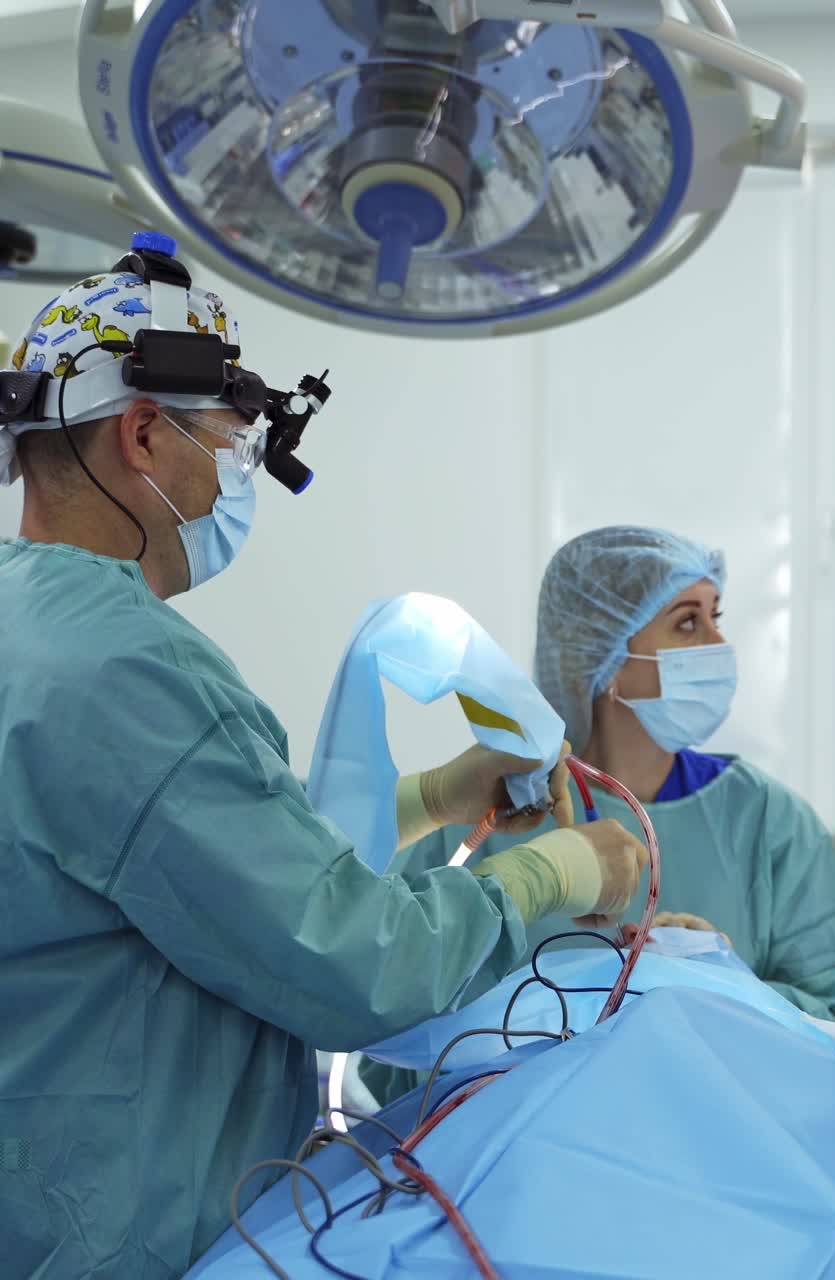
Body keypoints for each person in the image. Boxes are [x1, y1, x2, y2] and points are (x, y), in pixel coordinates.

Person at [0, 241, 647, 1280]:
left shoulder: (27, 626)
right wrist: (557, 871)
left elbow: (164, 868)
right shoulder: (127, 667)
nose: (233, 474)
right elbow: (354, 963)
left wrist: (430, 798)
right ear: (141, 433)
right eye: (226, 439)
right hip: (123, 1227)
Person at [378, 526, 835, 1052]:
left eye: (717, 617)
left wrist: (720, 982)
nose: (719, 645)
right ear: (601, 657)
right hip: (527, 1134)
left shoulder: (768, 823)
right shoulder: (491, 812)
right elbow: (393, 1028)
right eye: (688, 623)